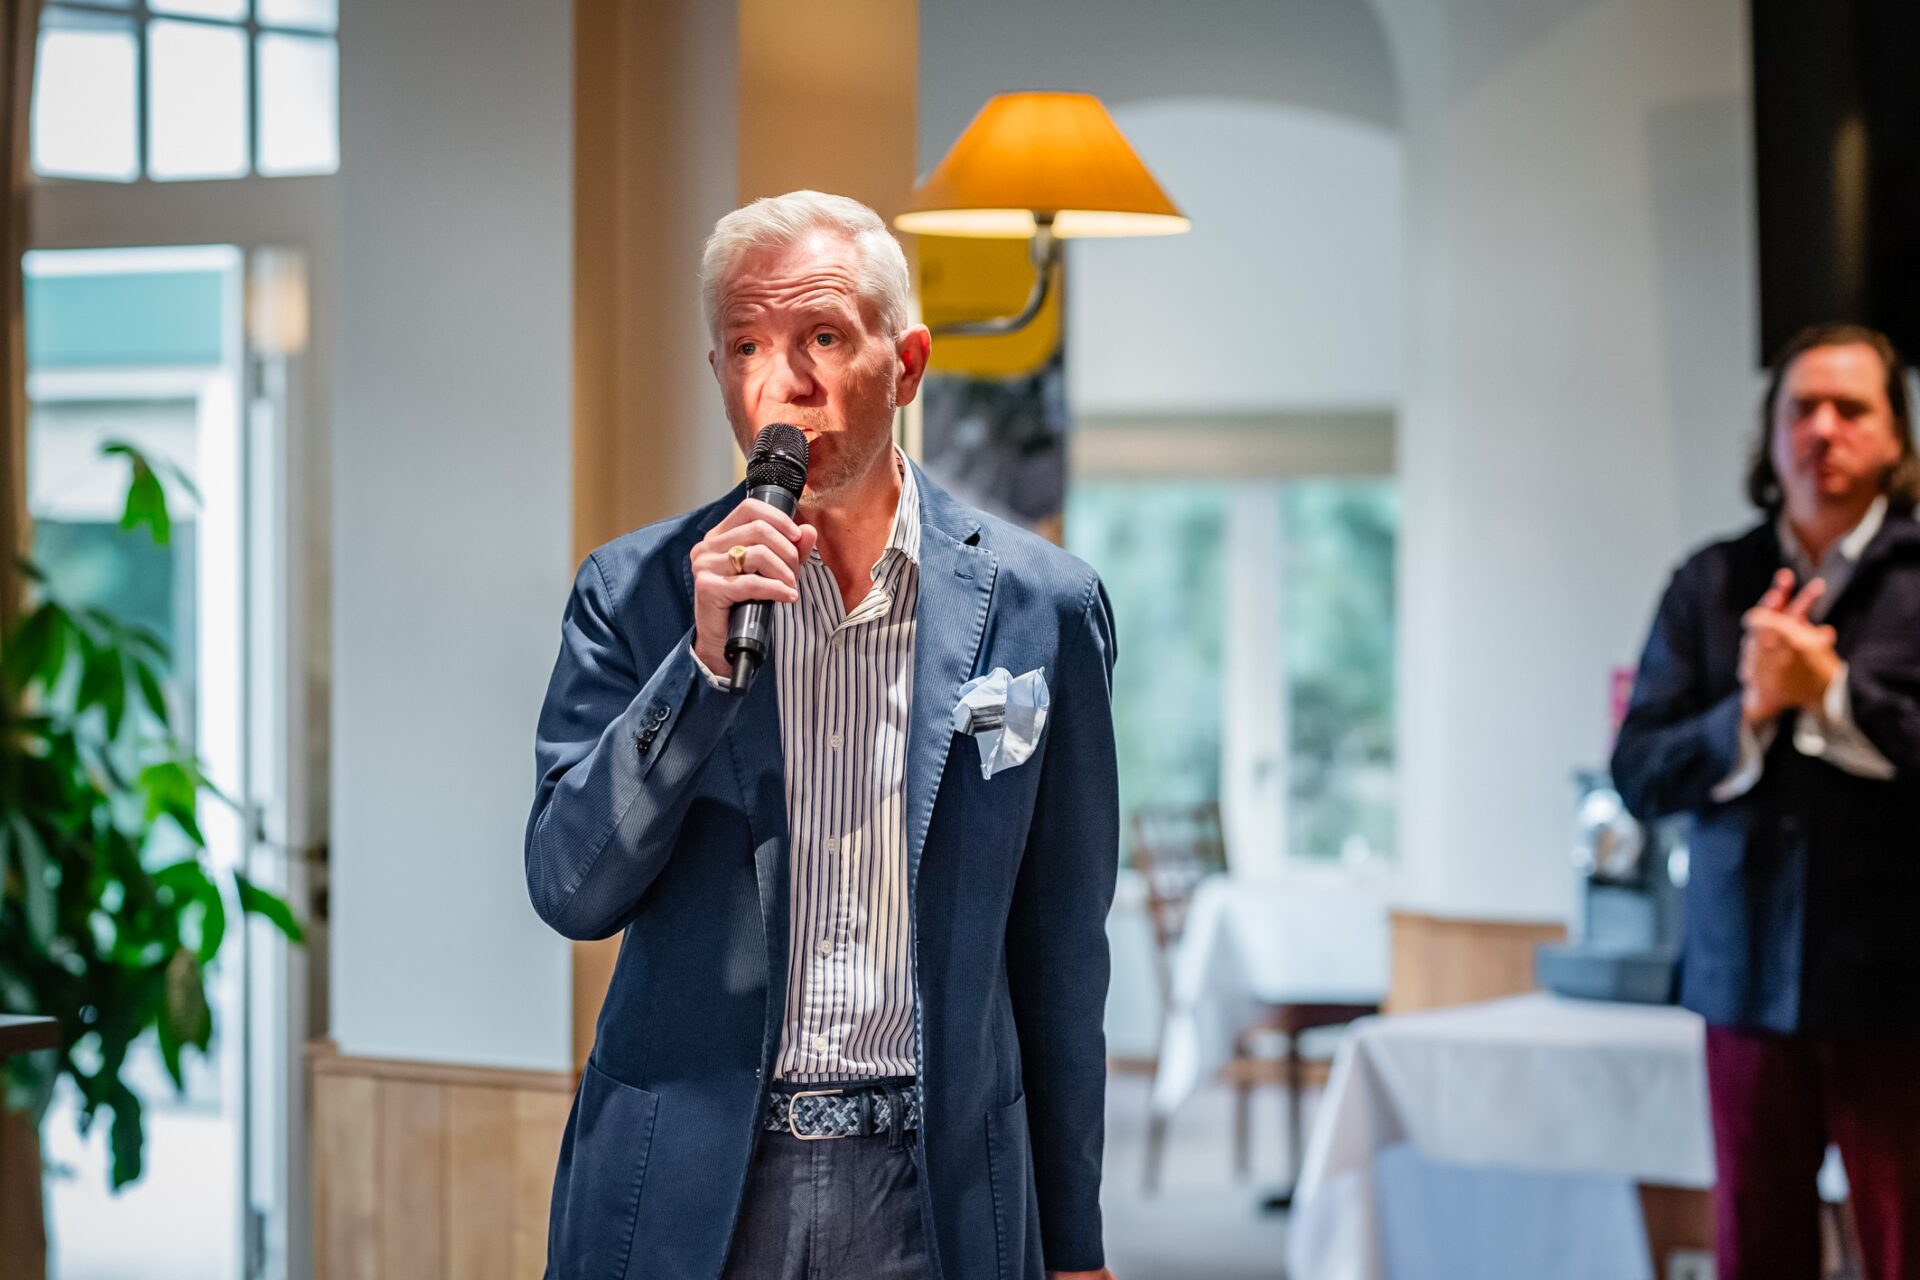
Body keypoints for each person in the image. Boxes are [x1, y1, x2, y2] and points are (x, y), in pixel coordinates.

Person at [525, 190, 1120, 1280]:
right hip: (693, 1189)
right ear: (718, 374)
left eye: (824, 337)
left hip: (936, 1189)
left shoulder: (1046, 607)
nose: (783, 381)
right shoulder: (634, 592)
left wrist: (1074, 1246)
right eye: (746, 345)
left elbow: (1064, 956)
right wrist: (700, 670)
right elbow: (570, 888)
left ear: (909, 363)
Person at [1612, 323, 1920, 1279]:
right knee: (1755, 1250)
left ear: (1896, 437)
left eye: (1851, 409)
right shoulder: (1708, 582)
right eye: (1802, 408)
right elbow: (1639, 774)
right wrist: (1748, 711)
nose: (1823, 429)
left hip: (1901, 988)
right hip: (1742, 976)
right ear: (1770, 433)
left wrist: (1834, 694)